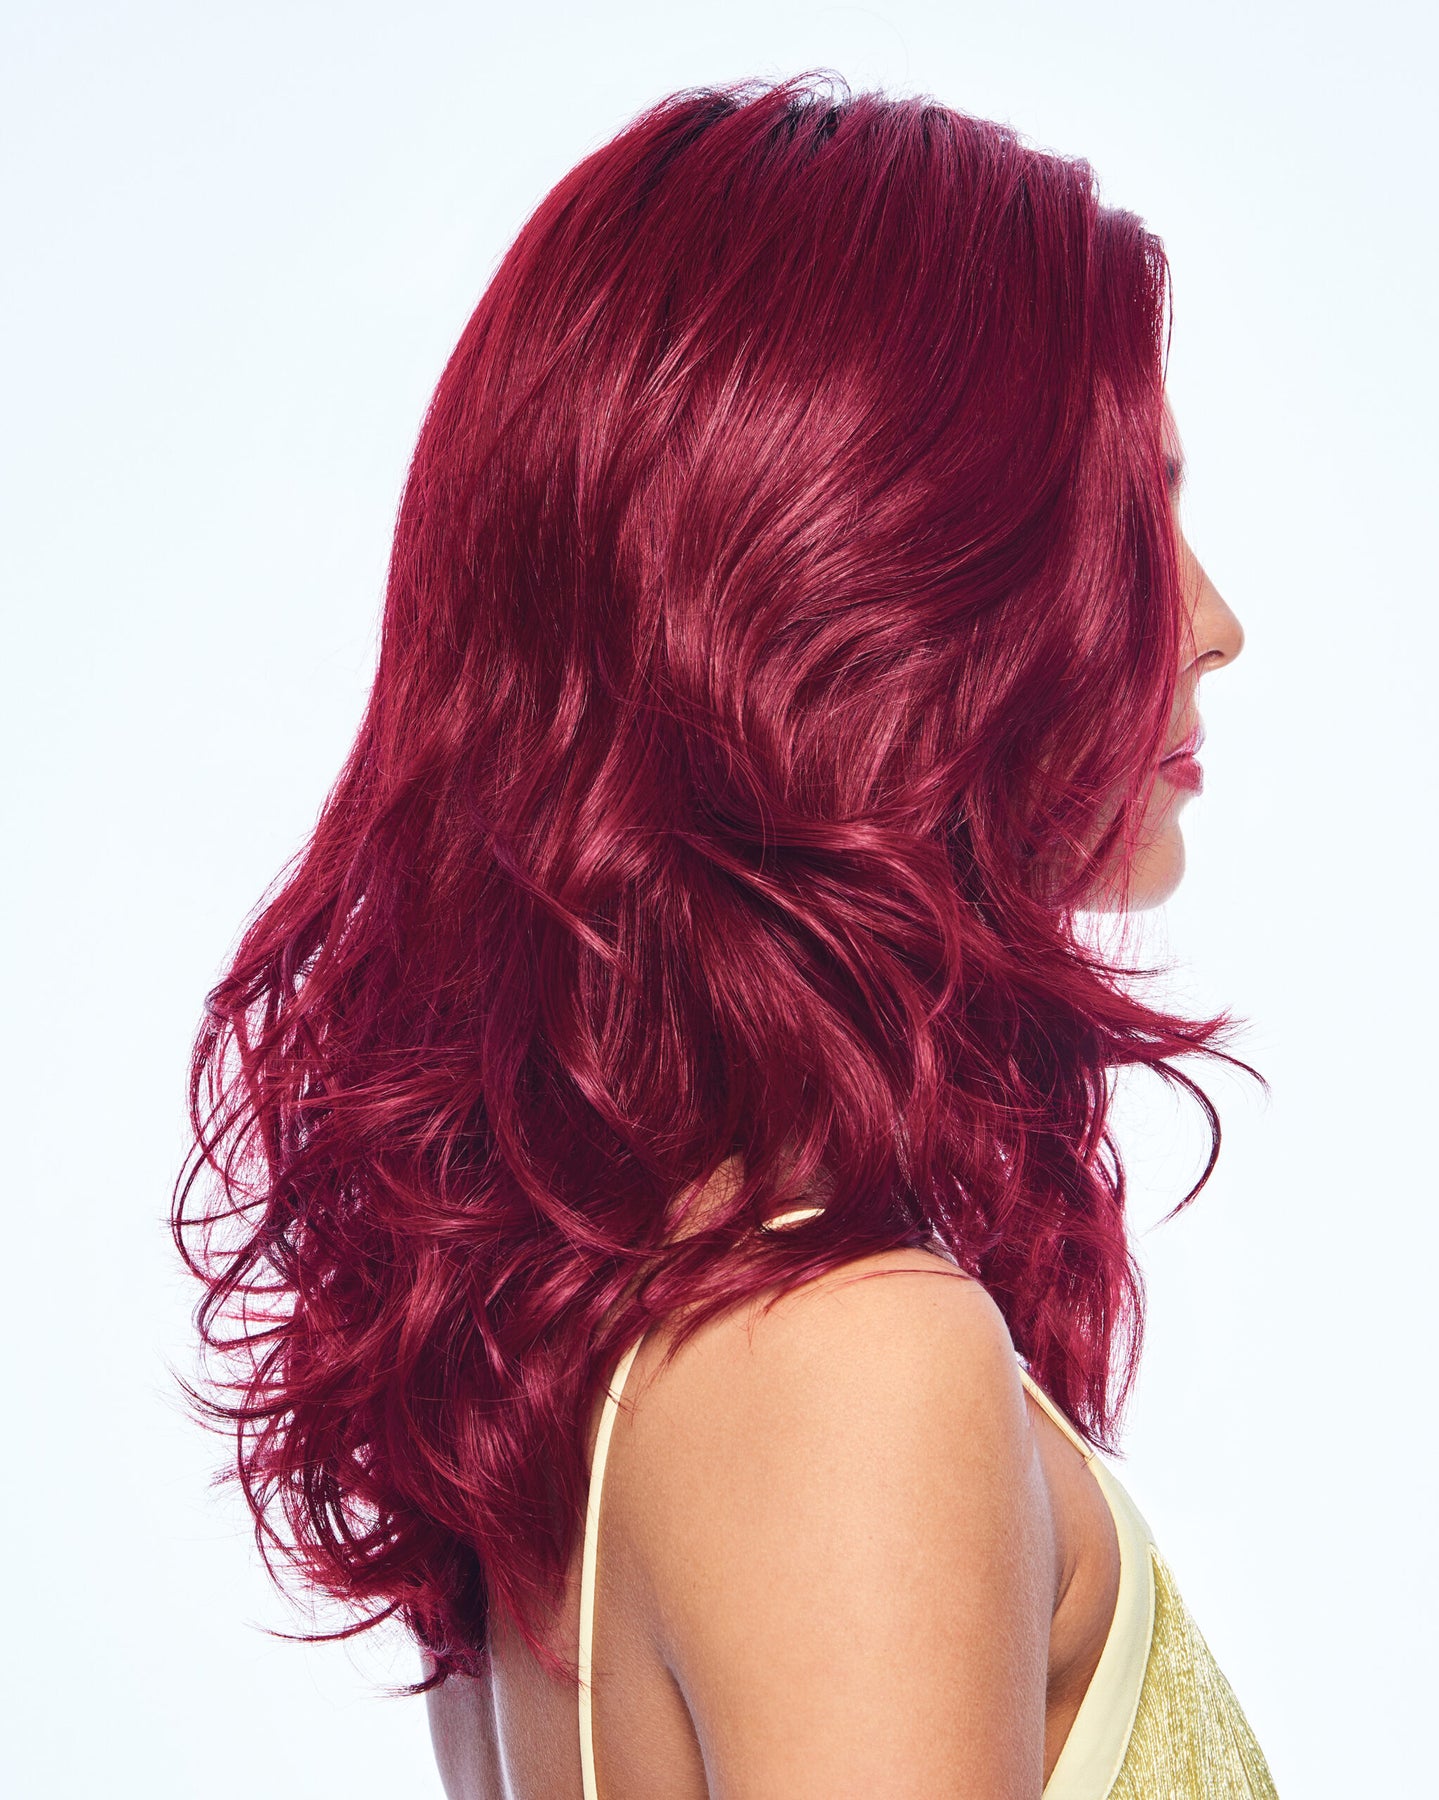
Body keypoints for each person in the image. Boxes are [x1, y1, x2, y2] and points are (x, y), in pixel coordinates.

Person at [175, 75, 1278, 1798]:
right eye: (1133, 522)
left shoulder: (597, 1358)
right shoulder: (845, 1361)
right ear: (873, 590)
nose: (1214, 622)